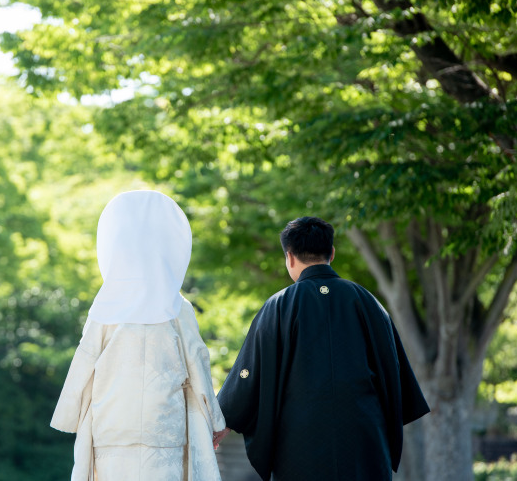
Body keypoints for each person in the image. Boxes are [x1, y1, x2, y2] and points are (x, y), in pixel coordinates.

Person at [213, 216, 430, 481]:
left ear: (289, 257)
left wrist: (221, 419)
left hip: (300, 440)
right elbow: (394, 370)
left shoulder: (279, 306)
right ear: (332, 253)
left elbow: (249, 372)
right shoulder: (367, 302)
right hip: (363, 437)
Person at [51, 190, 226, 481]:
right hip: (165, 428)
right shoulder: (177, 306)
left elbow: (85, 360)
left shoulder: (106, 306)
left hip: (112, 425)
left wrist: (70, 414)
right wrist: (215, 419)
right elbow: (198, 362)